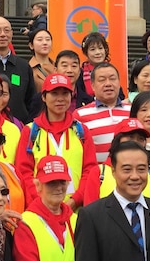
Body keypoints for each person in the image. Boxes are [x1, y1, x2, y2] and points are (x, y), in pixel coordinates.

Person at [15, 73, 96, 210]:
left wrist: (74, 201)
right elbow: (24, 172)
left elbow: (89, 170)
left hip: (75, 211)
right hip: (40, 210)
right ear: (43, 97)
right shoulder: (30, 131)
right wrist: (42, 202)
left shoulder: (82, 131)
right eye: (54, 93)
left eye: (65, 93)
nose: (60, 99)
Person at [81, 118, 150, 205]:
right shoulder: (98, 173)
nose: (135, 143)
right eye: (130, 137)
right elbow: (91, 212)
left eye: (140, 139)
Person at [74, 62, 131, 162]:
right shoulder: (79, 115)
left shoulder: (133, 111)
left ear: (119, 83)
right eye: (102, 80)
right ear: (92, 86)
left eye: (112, 79)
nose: (108, 84)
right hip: (96, 176)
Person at [78, 31, 111, 103]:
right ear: (86, 52)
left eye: (100, 48)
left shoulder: (111, 71)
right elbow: (80, 95)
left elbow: (120, 94)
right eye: (93, 49)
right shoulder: (80, 73)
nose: (98, 52)